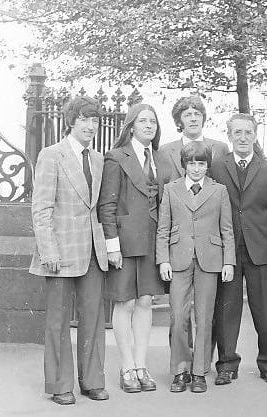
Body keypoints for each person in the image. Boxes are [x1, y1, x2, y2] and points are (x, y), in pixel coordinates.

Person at [30, 96, 109, 405]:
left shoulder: (99, 159)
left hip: (92, 250)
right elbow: (41, 208)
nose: (91, 126)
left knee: (93, 318)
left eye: (95, 120)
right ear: (71, 121)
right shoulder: (51, 155)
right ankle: (61, 385)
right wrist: (49, 250)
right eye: (85, 119)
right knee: (58, 321)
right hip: (60, 252)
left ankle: (92, 381)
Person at [98, 103, 173, 393]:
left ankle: (142, 366)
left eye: (152, 122)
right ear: (130, 126)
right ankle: (126, 366)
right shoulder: (116, 157)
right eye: (142, 121)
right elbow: (107, 205)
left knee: (145, 302)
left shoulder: (163, 159)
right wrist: (112, 246)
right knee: (125, 302)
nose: (148, 126)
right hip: (125, 243)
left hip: (153, 241)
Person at [211, 113, 267, 385]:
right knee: (226, 309)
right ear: (229, 136)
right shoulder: (218, 167)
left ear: (254, 136)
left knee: (265, 311)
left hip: (263, 250)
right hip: (228, 251)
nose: (243, 137)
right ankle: (227, 364)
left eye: (248, 132)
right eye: (237, 133)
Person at [156, 142, 235, 393]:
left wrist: (228, 262)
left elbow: (227, 230)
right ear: (184, 165)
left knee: (204, 317)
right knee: (178, 317)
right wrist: (163, 259)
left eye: (201, 163)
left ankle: (199, 371)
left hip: (210, 259)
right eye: (192, 163)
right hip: (178, 258)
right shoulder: (171, 189)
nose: (197, 168)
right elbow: (163, 228)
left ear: (207, 166)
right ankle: (180, 370)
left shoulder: (219, 190)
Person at [160, 95, 229, 179]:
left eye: (197, 114)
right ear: (178, 121)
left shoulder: (220, 148)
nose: (193, 119)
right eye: (188, 115)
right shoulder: (164, 151)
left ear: (203, 119)